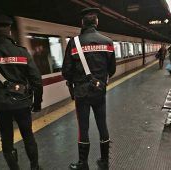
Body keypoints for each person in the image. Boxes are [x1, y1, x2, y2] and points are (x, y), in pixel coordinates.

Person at [0, 14, 43, 170]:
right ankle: (35, 167)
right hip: (22, 102)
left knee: (6, 138)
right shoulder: (22, 52)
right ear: (9, 31)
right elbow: (36, 81)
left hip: (0, 104)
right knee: (28, 136)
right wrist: (37, 102)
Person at [62, 8, 116, 170]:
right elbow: (111, 69)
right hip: (99, 91)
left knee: (83, 128)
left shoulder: (74, 43)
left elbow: (66, 71)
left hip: (81, 93)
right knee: (102, 125)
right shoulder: (108, 42)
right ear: (97, 22)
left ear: (82, 23)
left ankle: (83, 163)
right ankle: (104, 161)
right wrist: (100, 79)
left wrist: (75, 80)